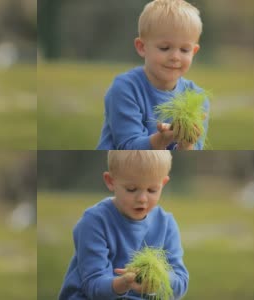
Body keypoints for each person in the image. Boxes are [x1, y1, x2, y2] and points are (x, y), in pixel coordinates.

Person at [59, 150, 188, 300]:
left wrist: (159, 279)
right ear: (110, 181)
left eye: (152, 190)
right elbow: (93, 286)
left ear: (163, 184)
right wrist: (125, 283)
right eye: (131, 189)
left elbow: (180, 283)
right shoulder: (94, 222)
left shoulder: (166, 224)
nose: (142, 199)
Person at [96, 0, 209, 150]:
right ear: (142, 47)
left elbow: (195, 150)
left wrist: (187, 143)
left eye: (184, 50)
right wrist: (162, 139)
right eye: (164, 48)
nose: (175, 56)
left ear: (194, 52)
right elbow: (128, 146)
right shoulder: (124, 88)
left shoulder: (197, 98)